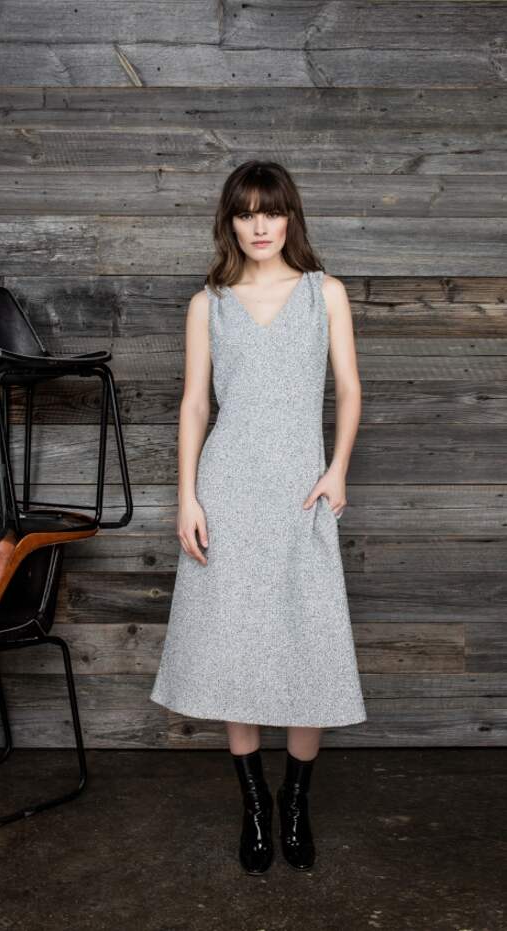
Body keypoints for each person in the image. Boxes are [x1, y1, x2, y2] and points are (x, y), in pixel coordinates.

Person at [149, 160, 367, 874]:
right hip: (229, 490)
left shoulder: (325, 293)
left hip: (301, 490)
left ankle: (295, 801)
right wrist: (188, 496)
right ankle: (253, 804)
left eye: (270, 211)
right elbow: (194, 405)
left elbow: (349, 388)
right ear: (231, 224)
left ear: (290, 217)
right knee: (236, 643)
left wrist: (337, 468)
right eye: (245, 214)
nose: (260, 225)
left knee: (309, 644)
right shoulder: (207, 303)